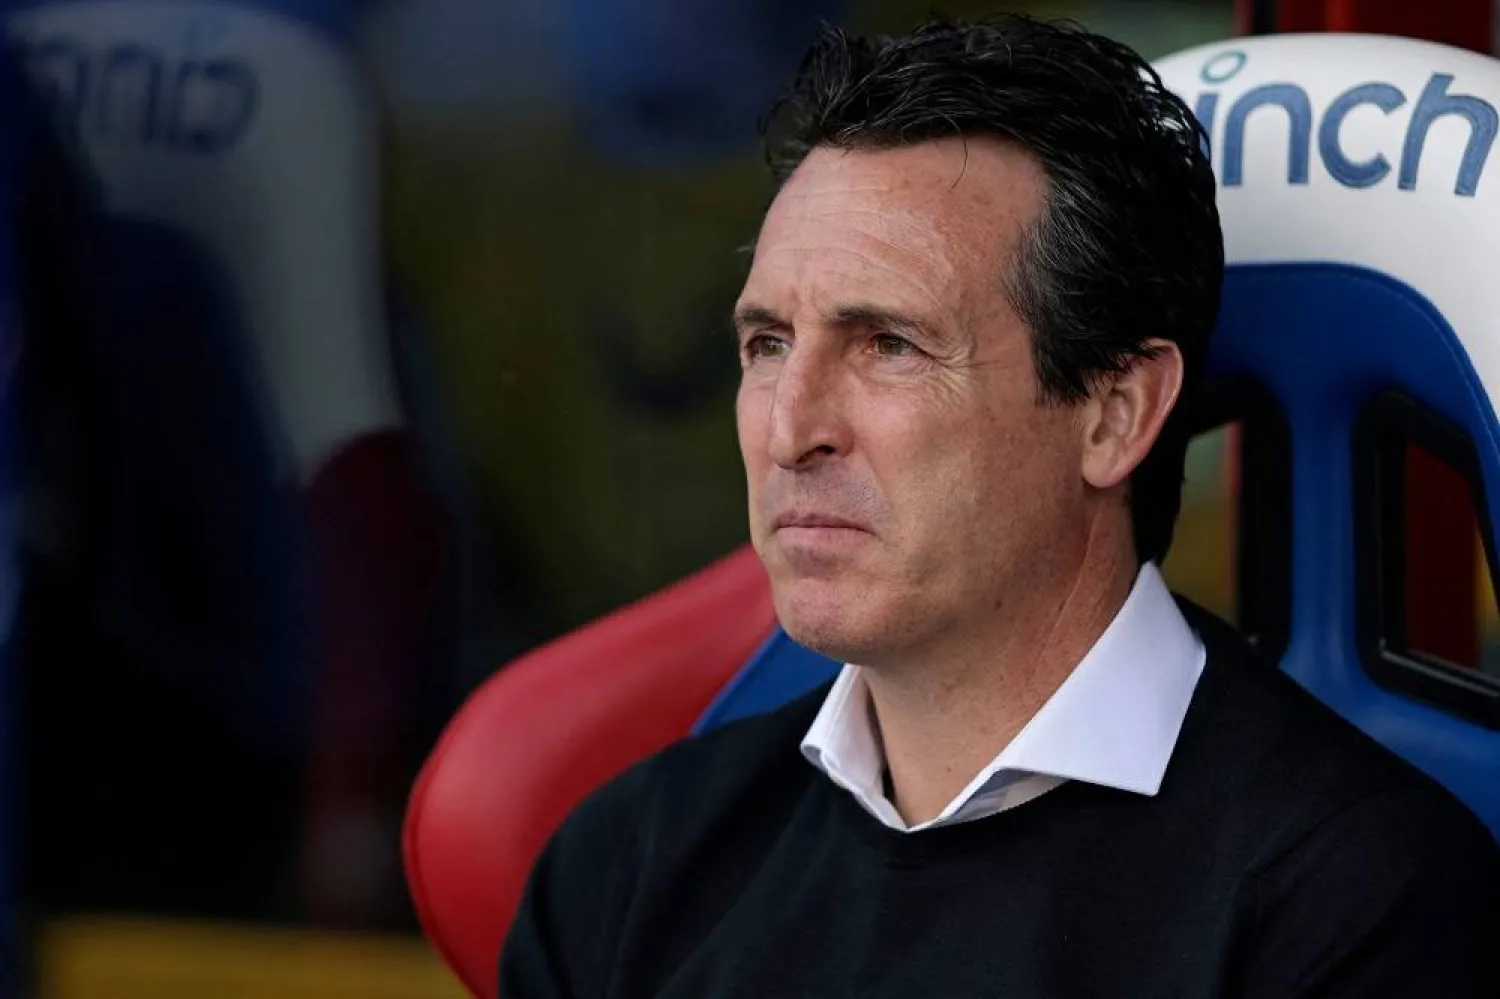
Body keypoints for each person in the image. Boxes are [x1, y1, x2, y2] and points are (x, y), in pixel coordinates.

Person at [501, 15, 1500, 996]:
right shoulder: (628, 865)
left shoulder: (1362, 906)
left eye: (887, 343)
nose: (786, 428)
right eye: (766, 344)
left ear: (1114, 415)